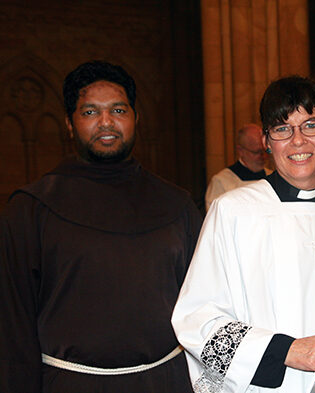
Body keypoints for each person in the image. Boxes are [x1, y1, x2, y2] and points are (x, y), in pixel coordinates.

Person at [172, 76, 315, 393]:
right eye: (283, 129)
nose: (298, 141)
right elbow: (197, 319)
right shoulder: (232, 213)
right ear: (267, 141)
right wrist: (284, 350)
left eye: (311, 125)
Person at [0, 61, 203, 393]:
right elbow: (11, 326)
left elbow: (204, 303)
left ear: (136, 118)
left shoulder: (177, 205)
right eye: (90, 112)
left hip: (166, 382)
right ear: (69, 124)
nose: (106, 122)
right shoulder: (31, 209)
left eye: (118, 110)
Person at [204, 123, 268, 210]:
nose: (263, 156)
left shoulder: (273, 176)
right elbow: (216, 218)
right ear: (240, 151)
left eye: (266, 151)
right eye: (257, 152)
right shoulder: (221, 181)